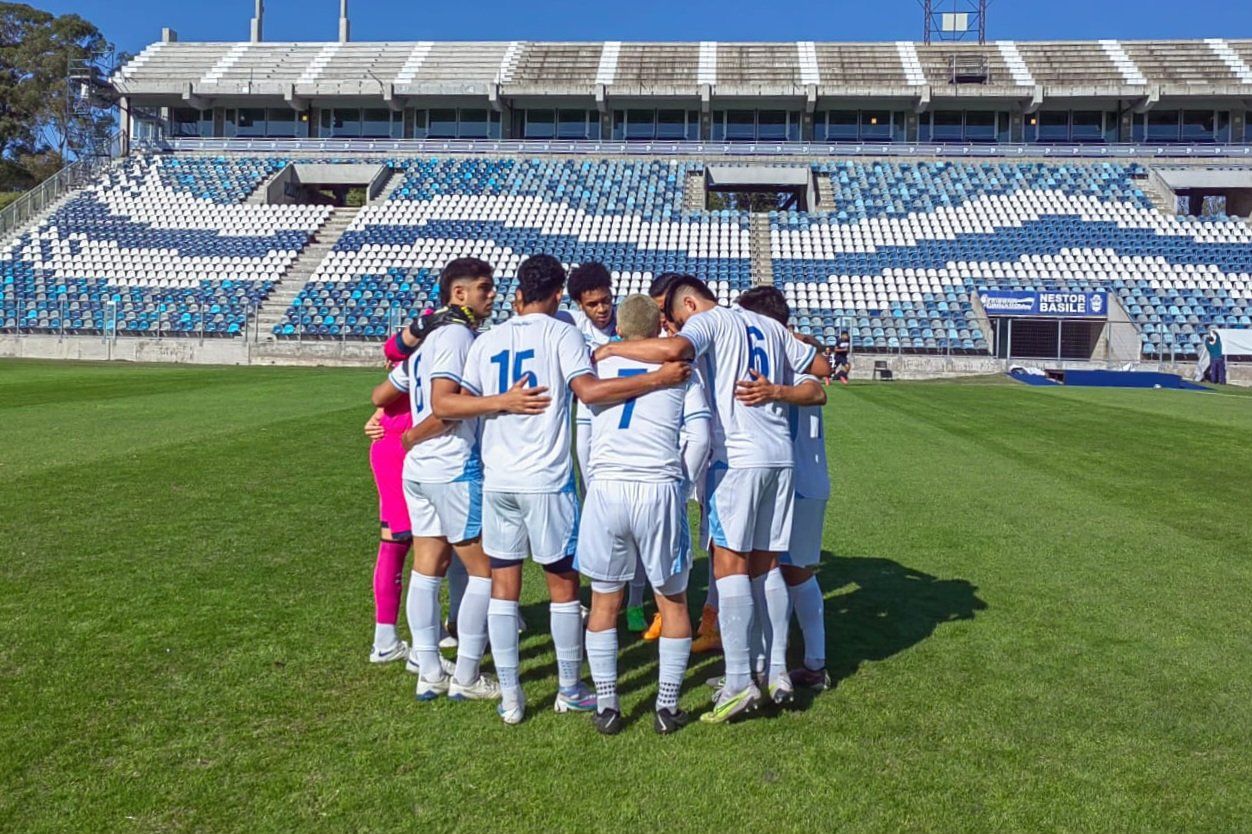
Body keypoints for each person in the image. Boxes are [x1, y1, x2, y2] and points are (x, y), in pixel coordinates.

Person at [433, 254, 691, 725]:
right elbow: (590, 393)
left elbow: (446, 402)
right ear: (557, 296)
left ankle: (512, 698)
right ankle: (570, 688)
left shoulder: (488, 340)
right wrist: (657, 378)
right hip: (547, 480)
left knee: (503, 588)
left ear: (519, 292)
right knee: (564, 588)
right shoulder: (562, 333)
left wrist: (499, 403)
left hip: (498, 480)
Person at [595, 276, 830, 723]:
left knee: (730, 566)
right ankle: (775, 671)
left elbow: (676, 352)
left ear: (689, 302)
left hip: (736, 458)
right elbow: (819, 372)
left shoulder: (711, 320)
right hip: (780, 458)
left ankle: (740, 680)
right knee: (765, 569)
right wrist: (779, 390)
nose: (670, 325)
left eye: (672, 316)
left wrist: (609, 351)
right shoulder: (770, 327)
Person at [371, 258, 533, 701]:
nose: (492, 295)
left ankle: (428, 670)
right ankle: (465, 676)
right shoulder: (458, 336)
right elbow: (445, 406)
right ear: (458, 294)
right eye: (484, 288)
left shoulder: (423, 343)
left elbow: (381, 394)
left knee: (429, 567)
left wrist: (409, 434)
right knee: (482, 571)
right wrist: (505, 401)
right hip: (452, 464)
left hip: (421, 469)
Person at [576, 294, 711, 735]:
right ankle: (666, 706)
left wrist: (593, 481)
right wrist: (682, 484)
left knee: (603, 599)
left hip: (606, 487)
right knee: (671, 600)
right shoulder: (681, 374)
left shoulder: (597, 369)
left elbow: (583, 437)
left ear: (620, 327)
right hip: (657, 486)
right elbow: (701, 437)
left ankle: (609, 705)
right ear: (660, 329)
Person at [736, 289, 832, 691]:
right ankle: (799, 663)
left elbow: (818, 389)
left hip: (796, 478)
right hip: (797, 477)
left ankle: (788, 666)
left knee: (780, 569)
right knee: (786, 570)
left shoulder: (788, 350)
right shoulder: (788, 350)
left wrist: (775, 391)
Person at [648, 273, 717, 650]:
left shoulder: (700, 332)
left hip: (710, 441)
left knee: (714, 537)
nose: (664, 322)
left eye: (665, 311)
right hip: (672, 443)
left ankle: (712, 616)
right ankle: (669, 610)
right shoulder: (663, 341)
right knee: (671, 533)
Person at [363, 337, 415, 665]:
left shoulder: (411, 363)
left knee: (433, 546)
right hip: (400, 449)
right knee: (397, 543)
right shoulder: (414, 364)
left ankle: (428, 630)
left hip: (404, 448)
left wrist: (378, 414)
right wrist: (380, 415)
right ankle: (385, 639)